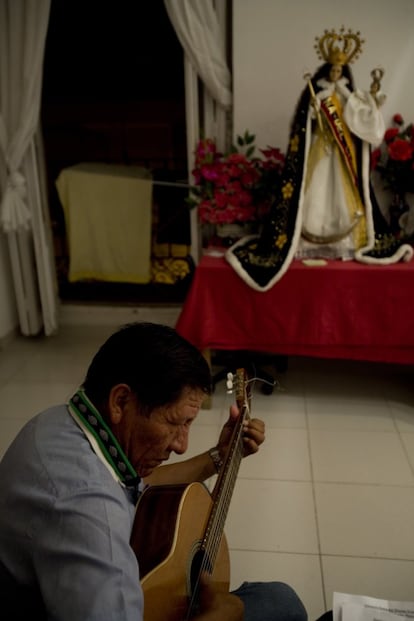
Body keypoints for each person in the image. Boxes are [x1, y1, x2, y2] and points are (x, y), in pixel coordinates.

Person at [0, 322, 307, 621]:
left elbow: (134, 486)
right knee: (282, 604)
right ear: (121, 400)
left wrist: (219, 456)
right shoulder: (92, 518)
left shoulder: (59, 424)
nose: (182, 445)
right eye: (176, 423)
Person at [225, 28, 413, 292]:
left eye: (340, 70)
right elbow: (303, 125)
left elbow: (362, 121)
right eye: (332, 70)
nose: (336, 75)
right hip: (319, 151)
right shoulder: (317, 92)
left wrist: (371, 102)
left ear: (344, 71)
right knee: (315, 192)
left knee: (341, 195)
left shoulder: (349, 96)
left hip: (341, 153)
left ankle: (344, 241)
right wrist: (312, 113)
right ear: (326, 70)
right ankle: (308, 241)